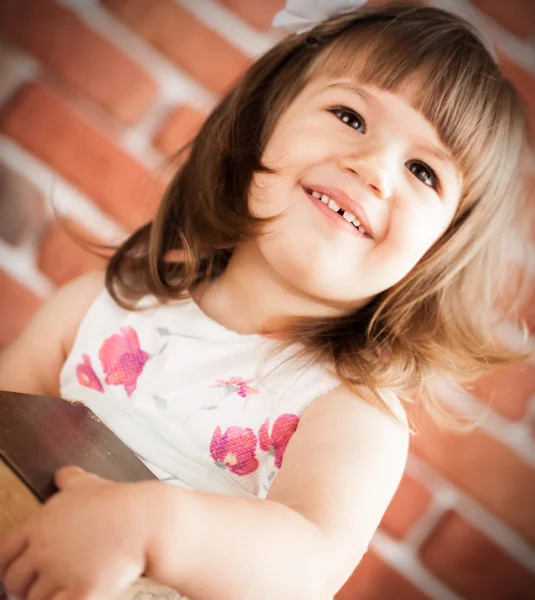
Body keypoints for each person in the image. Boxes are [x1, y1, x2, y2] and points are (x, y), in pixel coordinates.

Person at [0, 1, 532, 599]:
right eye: (350, 116)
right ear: (264, 122)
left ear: (439, 253)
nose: (374, 169)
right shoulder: (103, 308)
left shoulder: (350, 414)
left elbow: (307, 565)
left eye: (423, 171)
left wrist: (150, 526)